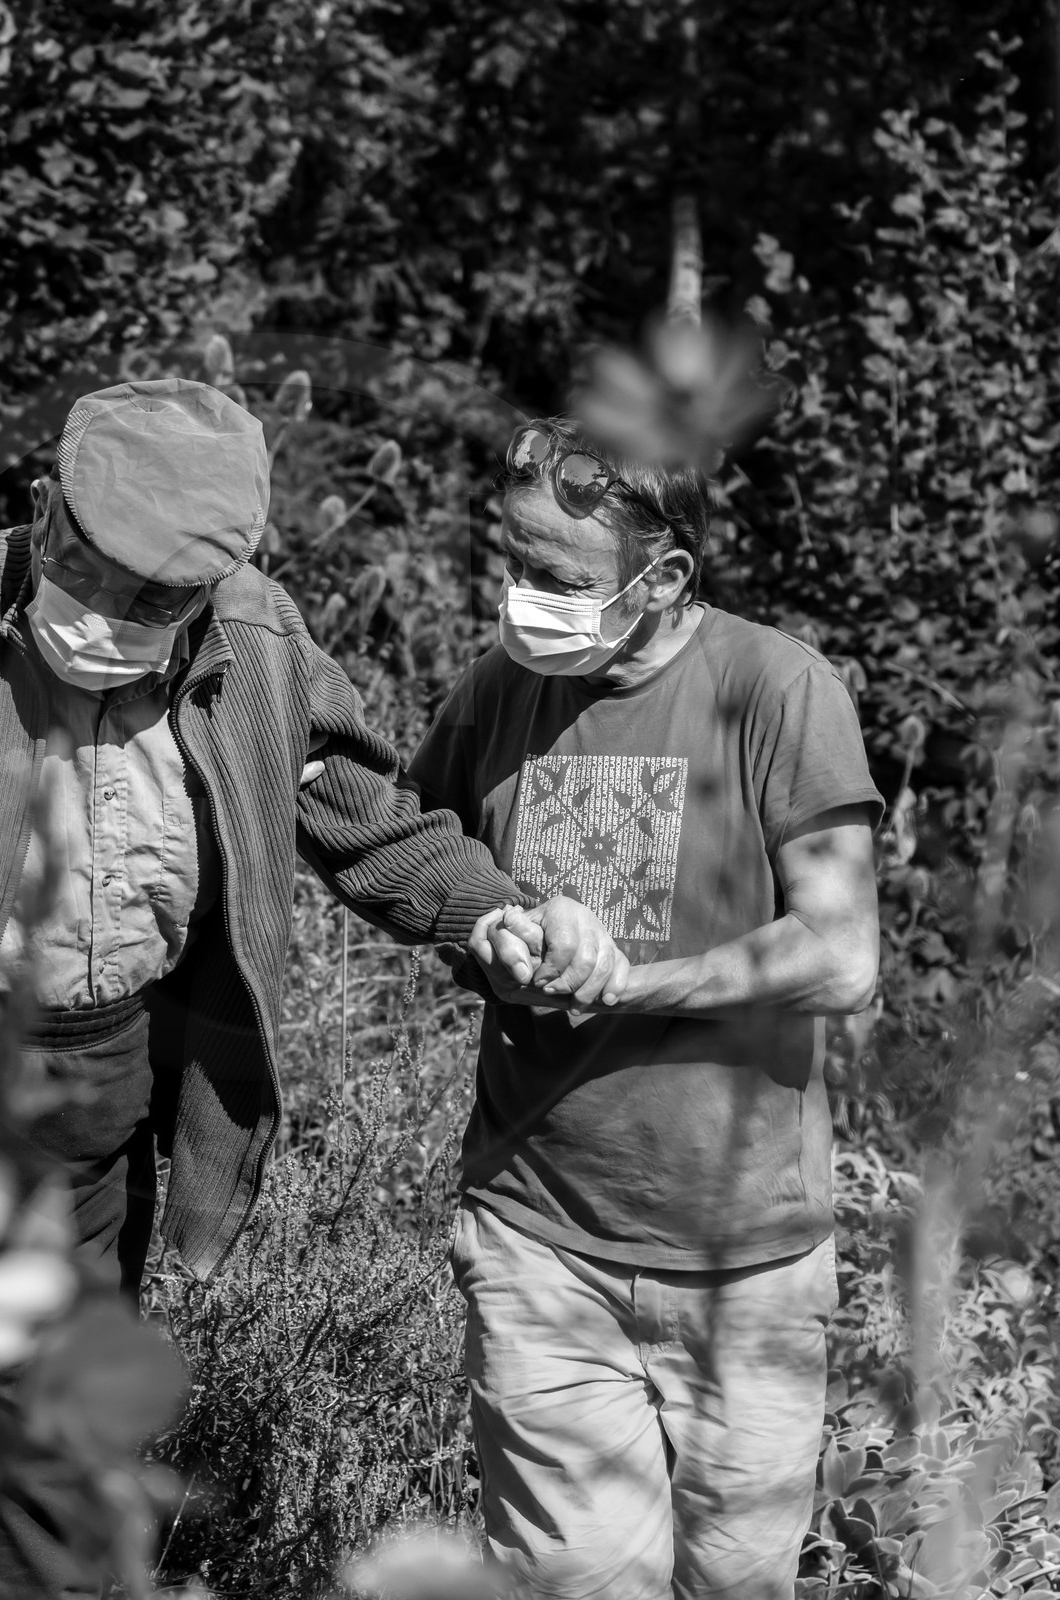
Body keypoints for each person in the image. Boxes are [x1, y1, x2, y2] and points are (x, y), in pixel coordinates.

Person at [0, 379, 617, 1597]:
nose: (111, 613)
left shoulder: (255, 643)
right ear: (50, 509)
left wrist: (494, 910)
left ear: (218, 582)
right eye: (95, 567)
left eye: (159, 598)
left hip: (91, 1078)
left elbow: (364, 820)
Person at [409, 416, 884, 1600]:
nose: (521, 597)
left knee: (735, 1581)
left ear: (664, 576)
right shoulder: (492, 692)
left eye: (556, 578)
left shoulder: (775, 688)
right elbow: (417, 860)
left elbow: (840, 953)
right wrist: (486, 936)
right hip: (538, 1238)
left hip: (746, 1258)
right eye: (511, 562)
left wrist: (632, 983)